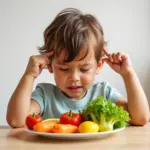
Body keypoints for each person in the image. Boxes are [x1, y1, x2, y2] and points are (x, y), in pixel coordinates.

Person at [6, 8, 149, 128]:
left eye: (84, 69)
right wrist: (29, 75)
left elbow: (141, 118)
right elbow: (16, 121)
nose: (74, 78)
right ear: (50, 65)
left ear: (98, 66)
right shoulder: (45, 95)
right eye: (64, 69)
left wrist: (128, 74)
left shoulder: (103, 93)